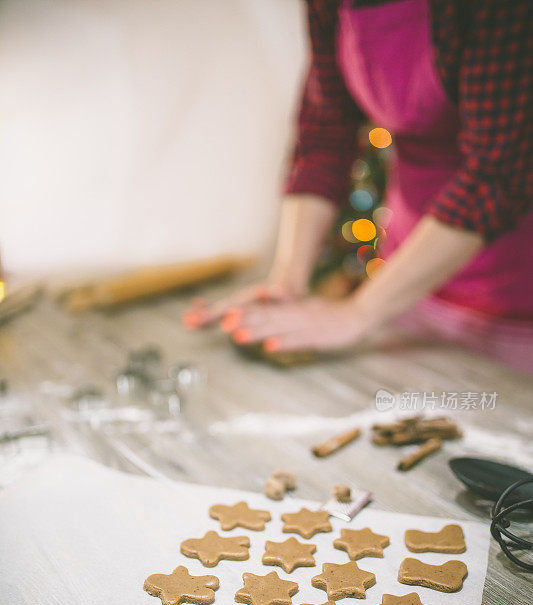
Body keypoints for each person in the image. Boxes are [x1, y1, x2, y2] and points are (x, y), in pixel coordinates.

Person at [183, 0, 533, 373]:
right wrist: (285, 283)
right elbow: (324, 134)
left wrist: (358, 313)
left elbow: (499, 174)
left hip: (514, 295)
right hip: (406, 283)